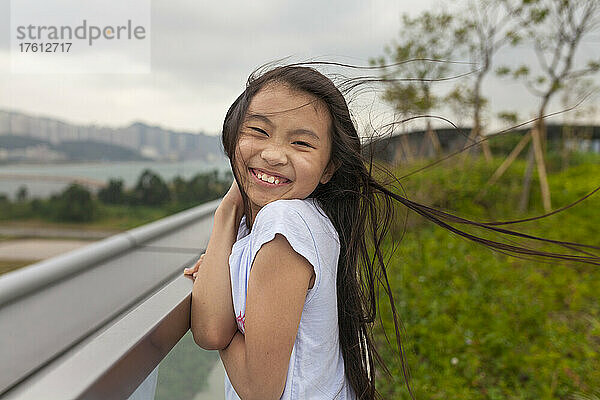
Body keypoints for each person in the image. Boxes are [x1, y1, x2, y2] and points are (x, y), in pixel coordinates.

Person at [183, 62, 600, 400]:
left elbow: (250, 379)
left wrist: (224, 218)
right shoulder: (306, 221)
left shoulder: (283, 223)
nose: (273, 154)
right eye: (258, 130)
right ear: (233, 133)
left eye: (302, 144)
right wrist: (227, 249)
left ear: (330, 167)